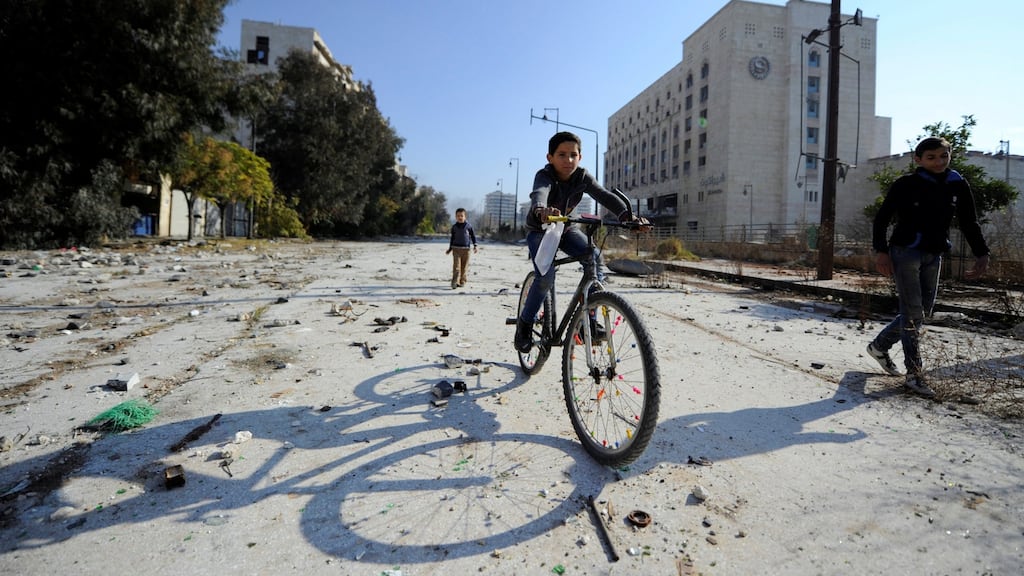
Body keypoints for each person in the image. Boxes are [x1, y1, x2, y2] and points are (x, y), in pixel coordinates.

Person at [866, 137, 990, 398]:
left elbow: (970, 222)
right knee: (912, 313)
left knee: (921, 311)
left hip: (934, 254)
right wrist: (881, 251)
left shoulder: (957, 184)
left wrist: (981, 253)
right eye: (931, 157)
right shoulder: (906, 184)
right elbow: (882, 219)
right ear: (918, 159)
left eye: (944, 156)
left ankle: (879, 346)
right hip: (905, 251)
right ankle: (915, 374)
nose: (938, 162)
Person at [513, 131, 647, 353]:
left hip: (565, 228)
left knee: (594, 257)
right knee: (546, 277)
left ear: (580, 157)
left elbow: (604, 196)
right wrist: (541, 210)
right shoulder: (544, 175)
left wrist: (628, 218)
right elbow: (539, 193)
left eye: (573, 155)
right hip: (540, 229)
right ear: (550, 158)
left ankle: (589, 323)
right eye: (562, 155)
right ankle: (524, 325)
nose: (568, 160)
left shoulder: (582, 176)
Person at [445, 207, 478, 289]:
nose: (460, 217)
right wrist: (450, 249)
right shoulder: (454, 227)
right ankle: (454, 282)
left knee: (464, 267)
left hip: (466, 250)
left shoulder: (469, 226)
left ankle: (462, 281)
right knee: (456, 267)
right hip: (456, 249)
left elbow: (473, 236)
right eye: (458, 216)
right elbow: (452, 238)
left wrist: (475, 245)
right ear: (456, 217)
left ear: (465, 217)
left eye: (461, 216)